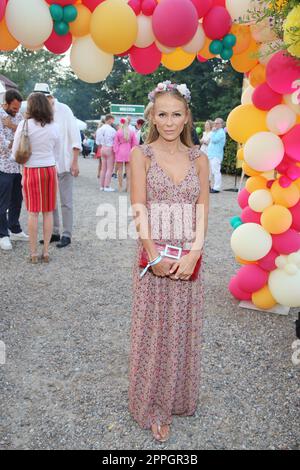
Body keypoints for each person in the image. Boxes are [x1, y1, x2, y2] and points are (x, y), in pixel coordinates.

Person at [129, 81, 209, 443]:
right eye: (162, 114)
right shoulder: (141, 155)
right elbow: (139, 208)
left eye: (176, 114)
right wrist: (152, 253)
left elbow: (203, 208)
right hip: (155, 256)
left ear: (187, 115)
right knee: (154, 331)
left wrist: (194, 252)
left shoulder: (200, 159)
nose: (170, 121)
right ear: (152, 116)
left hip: (189, 256)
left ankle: (178, 399)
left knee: (183, 329)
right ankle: (153, 405)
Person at [12, 93, 60, 263]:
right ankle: (45, 251)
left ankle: (33, 253)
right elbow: (57, 151)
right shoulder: (54, 125)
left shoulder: (24, 125)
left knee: (33, 213)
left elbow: (15, 151)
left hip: (31, 170)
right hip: (49, 170)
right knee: (48, 212)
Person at [33, 83, 82, 248]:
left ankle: (67, 234)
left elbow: (75, 137)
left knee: (66, 201)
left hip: (65, 163)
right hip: (47, 164)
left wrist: (75, 162)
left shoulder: (65, 110)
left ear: (49, 97)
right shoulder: (40, 113)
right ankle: (54, 232)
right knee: (50, 201)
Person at [0, 89, 28, 251]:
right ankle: (3, 235)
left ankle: (15, 229)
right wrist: (17, 140)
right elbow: (3, 145)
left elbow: (27, 134)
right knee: (2, 202)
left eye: (18, 108)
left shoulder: (18, 117)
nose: (17, 111)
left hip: (18, 167)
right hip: (3, 166)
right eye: (14, 108)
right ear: (6, 103)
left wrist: (12, 127)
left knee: (17, 199)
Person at [113, 118, 138, 192]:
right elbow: (135, 144)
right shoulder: (132, 132)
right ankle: (128, 187)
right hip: (129, 151)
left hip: (120, 151)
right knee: (128, 170)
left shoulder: (118, 132)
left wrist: (116, 151)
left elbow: (115, 144)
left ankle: (120, 187)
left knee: (120, 170)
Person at [96, 114, 116, 192]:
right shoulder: (112, 130)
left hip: (102, 148)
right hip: (109, 148)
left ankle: (101, 186)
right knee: (109, 168)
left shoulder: (99, 129)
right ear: (110, 119)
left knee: (103, 168)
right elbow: (115, 140)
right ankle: (107, 186)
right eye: (112, 119)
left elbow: (97, 142)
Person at [207, 118, 226, 193]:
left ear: (221, 124)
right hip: (211, 155)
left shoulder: (221, 132)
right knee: (210, 172)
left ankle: (216, 188)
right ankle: (209, 186)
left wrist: (212, 132)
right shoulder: (216, 131)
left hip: (216, 155)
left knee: (216, 172)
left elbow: (214, 140)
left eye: (217, 123)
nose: (215, 125)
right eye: (215, 123)